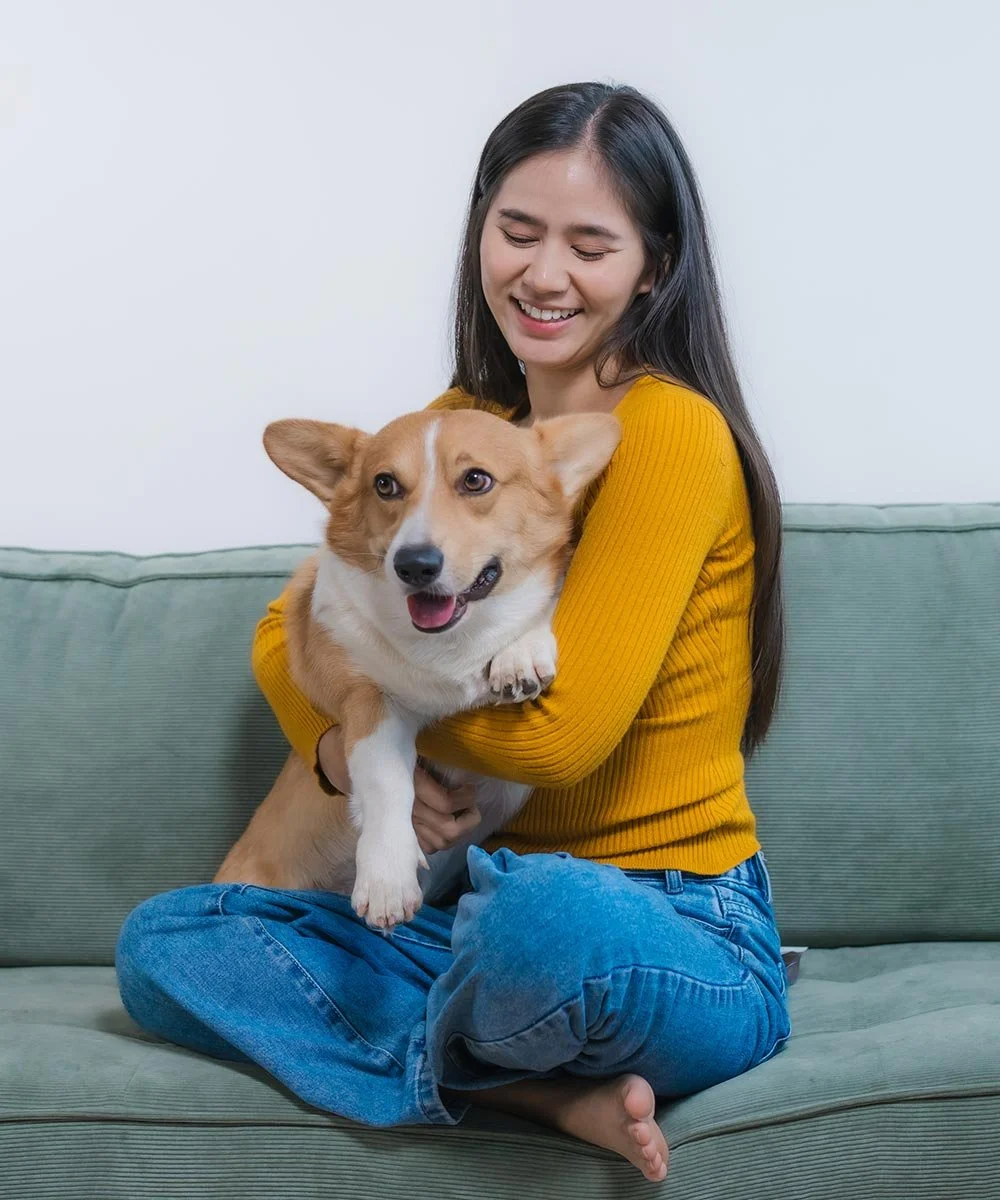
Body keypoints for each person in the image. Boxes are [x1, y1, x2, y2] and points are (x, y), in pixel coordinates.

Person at [115, 81, 791, 1185]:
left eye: (590, 244)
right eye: (517, 231)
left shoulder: (666, 431)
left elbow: (552, 742)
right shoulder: (469, 414)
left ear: (653, 265)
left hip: (666, 925)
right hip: (469, 909)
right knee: (163, 945)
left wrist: (378, 692)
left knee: (542, 919)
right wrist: (346, 749)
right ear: (481, 229)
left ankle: (468, 1042)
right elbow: (281, 630)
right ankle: (525, 1084)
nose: (543, 272)